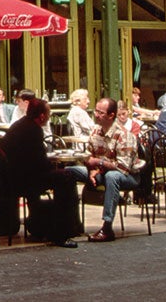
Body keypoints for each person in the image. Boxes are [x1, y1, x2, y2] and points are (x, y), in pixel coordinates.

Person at [0, 93, 80, 247]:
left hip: (9, 178)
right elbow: (39, 164)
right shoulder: (33, 130)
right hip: (20, 181)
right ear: (42, 116)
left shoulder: (20, 125)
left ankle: (46, 224)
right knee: (66, 178)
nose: (49, 117)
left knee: (62, 176)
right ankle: (64, 231)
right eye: (48, 114)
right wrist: (55, 166)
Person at [64, 97, 140, 242]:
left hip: (127, 176)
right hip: (100, 172)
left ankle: (107, 227)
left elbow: (122, 167)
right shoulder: (96, 131)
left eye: (100, 113)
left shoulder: (124, 135)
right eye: (96, 111)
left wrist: (98, 163)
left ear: (111, 115)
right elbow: (89, 155)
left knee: (112, 176)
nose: (96, 115)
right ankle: (72, 222)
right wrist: (92, 169)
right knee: (69, 171)